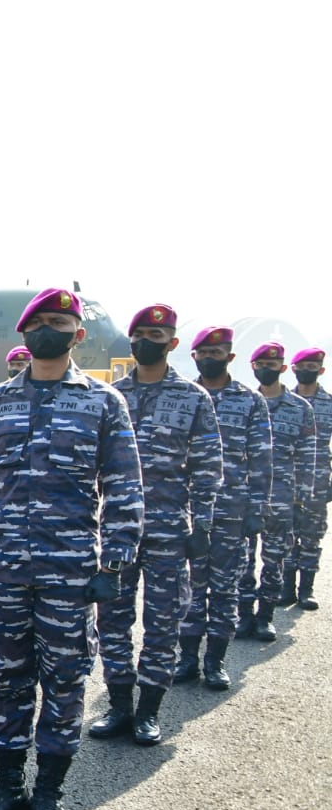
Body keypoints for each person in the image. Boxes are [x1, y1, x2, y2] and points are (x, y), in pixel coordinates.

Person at [0, 288, 144, 810]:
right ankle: (7, 788)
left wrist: (112, 565)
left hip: (71, 573)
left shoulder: (103, 403)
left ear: (77, 334)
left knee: (65, 682)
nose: (49, 330)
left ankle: (50, 795)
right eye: (39, 322)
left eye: (59, 322)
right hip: (10, 570)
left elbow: (124, 487)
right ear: (24, 333)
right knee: (9, 679)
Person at [88, 306, 222, 746]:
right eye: (142, 333)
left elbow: (207, 467)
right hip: (117, 529)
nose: (149, 340)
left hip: (169, 526)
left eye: (158, 334)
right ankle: (119, 703)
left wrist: (201, 525)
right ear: (131, 341)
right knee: (112, 618)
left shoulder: (193, 398)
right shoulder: (110, 396)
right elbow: (90, 467)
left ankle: (149, 710)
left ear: (173, 343)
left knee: (163, 620)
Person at [178, 326, 271, 690]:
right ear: (194, 356)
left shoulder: (250, 401)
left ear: (230, 358)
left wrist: (256, 509)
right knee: (189, 586)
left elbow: (262, 460)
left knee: (225, 587)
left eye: (218, 353)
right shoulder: (185, 397)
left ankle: (215, 660)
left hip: (232, 509)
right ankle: (186, 658)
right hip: (188, 510)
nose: (211, 358)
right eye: (205, 353)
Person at [238, 342, 317, 642]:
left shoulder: (300, 408)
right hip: (245, 495)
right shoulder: (243, 402)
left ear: (284, 368)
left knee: (275, 559)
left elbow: (308, 456)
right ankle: (243, 615)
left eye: (273, 365)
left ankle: (265, 616)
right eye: (261, 364)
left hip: (283, 496)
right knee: (242, 560)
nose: (267, 369)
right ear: (253, 366)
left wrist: (303, 497)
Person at [285, 348, 332, 609]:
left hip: (318, 480)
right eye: (303, 366)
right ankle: (287, 589)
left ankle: (307, 590)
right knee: (285, 536)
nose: (308, 370)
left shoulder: (329, 403)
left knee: (312, 535)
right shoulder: (284, 401)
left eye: (313, 366)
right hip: (285, 481)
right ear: (293, 368)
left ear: (321, 370)